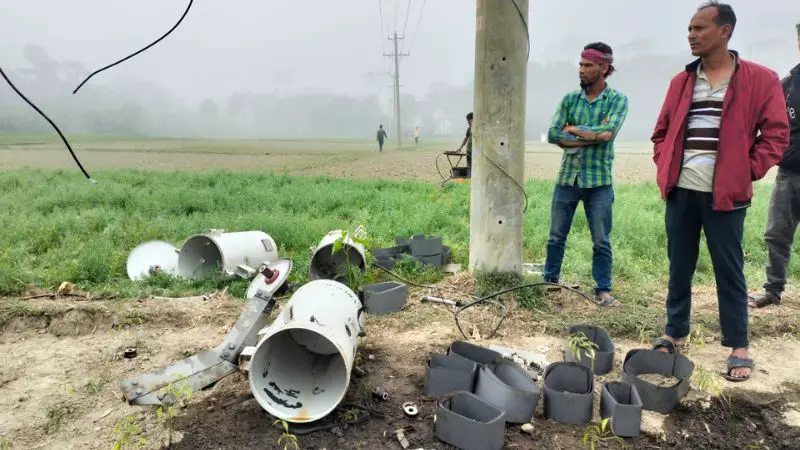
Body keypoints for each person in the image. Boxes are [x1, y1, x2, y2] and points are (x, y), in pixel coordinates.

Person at [650, 2, 789, 382]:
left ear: (725, 31)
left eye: (700, 28)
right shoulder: (681, 82)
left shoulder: (760, 79)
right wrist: (665, 164)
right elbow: (660, 132)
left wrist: (747, 171)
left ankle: (738, 345)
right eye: (689, 29)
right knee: (679, 265)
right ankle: (673, 330)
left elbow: (777, 134)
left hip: (726, 195)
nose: (692, 35)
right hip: (682, 192)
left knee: (729, 270)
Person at [543, 42, 630, 308]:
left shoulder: (617, 100)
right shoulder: (570, 99)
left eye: (588, 65)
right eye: (580, 64)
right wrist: (590, 135)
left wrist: (574, 130)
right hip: (568, 178)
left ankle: (603, 290)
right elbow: (552, 134)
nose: (581, 70)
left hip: (599, 182)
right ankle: (550, 283)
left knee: (601, 240)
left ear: (604, 68)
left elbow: (607, 135)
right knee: (556, 236)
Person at [748, 23, 800, 309]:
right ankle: (773, 290)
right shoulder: (788, 84)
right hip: (789, 173)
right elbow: (772, 128)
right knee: (777, 233)